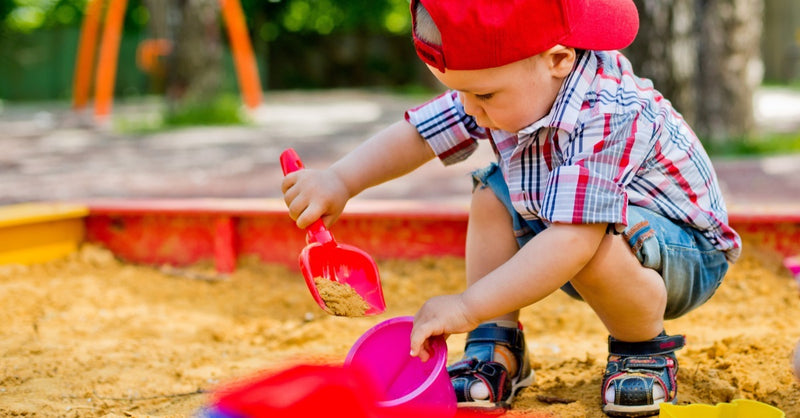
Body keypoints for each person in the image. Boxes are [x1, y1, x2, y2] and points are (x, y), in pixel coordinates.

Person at [280, 0, 742, 416]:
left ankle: (641, 351)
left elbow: (572, 239)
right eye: (460, 92)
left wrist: (466, 306)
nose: (471, 110)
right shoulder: (503, 79)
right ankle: (495, 348)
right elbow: (421, 134)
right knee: (492, 190)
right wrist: (339, 180)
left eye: (482, 97)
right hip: (581, 234)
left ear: (558, 59)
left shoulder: (610, 111)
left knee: (589, 230)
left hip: (684, 255)